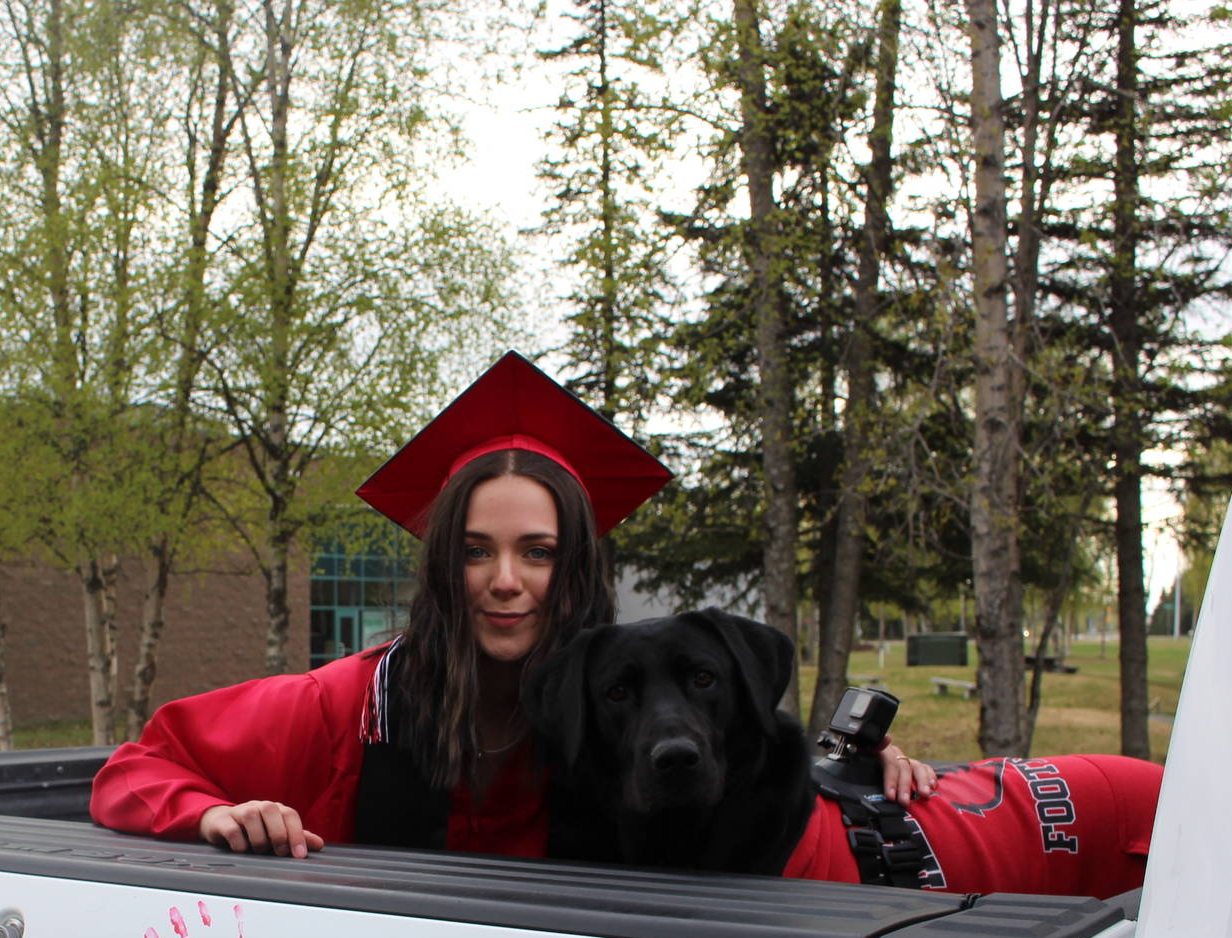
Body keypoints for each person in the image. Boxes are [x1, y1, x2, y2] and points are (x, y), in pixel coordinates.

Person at [89, 352, 933, 858]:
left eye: (537, 551)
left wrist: (867, 775)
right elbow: (134, 769)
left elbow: (740, 788)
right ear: (440, 571)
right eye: (474, 551)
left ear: (575, 570)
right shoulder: (345, 708)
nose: (504, 580)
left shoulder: (611, 719)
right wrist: (217, 812)